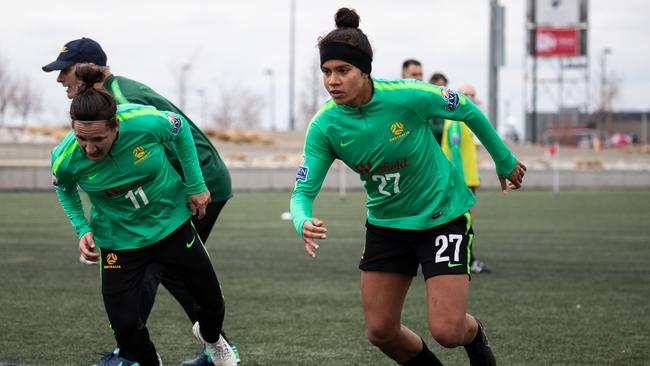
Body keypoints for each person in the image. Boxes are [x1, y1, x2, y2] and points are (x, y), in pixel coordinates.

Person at [290, 8, 526, 366]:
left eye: (343, 70)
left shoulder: (407, 95)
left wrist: (504, 159)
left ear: (364, 70)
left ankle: (475, 336)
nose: (332, 81)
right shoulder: (325, 127)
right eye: (326, 71)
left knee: (448, 331)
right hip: (387, 225)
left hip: (441, 215)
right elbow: (302, 193)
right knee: (381, 332)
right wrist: (302, 220)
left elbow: (465, 108)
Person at [42, 37, 239, 366]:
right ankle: (137, 352)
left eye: (65, 71)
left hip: (192, 189)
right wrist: (81, 228)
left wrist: (194, 184)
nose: (60, 79)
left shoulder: (127, 106)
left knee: (174, 276)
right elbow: (63, 185)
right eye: (82, 139)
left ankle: (210, 339)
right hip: (122, 234)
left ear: (115, 123)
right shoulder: (65, 155)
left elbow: (178, 133)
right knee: (139, 295)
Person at [440, 84, 491, 274]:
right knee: (462, 224)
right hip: (462, 182)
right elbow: (454, 151)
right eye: (466, 94)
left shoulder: (464, 121)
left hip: (468, 180)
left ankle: (462, 259)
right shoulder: (456, 121)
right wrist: (461, 181)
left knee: (463, 223)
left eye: (473, 94)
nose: (470, 97)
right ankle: (464, 261)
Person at [427, 72, 449, 144]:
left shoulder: (447, 105)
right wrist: (449, 127)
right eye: (439, 87)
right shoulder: (427, 105)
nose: (443, 91)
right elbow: (430, 129)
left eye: (444, 87)